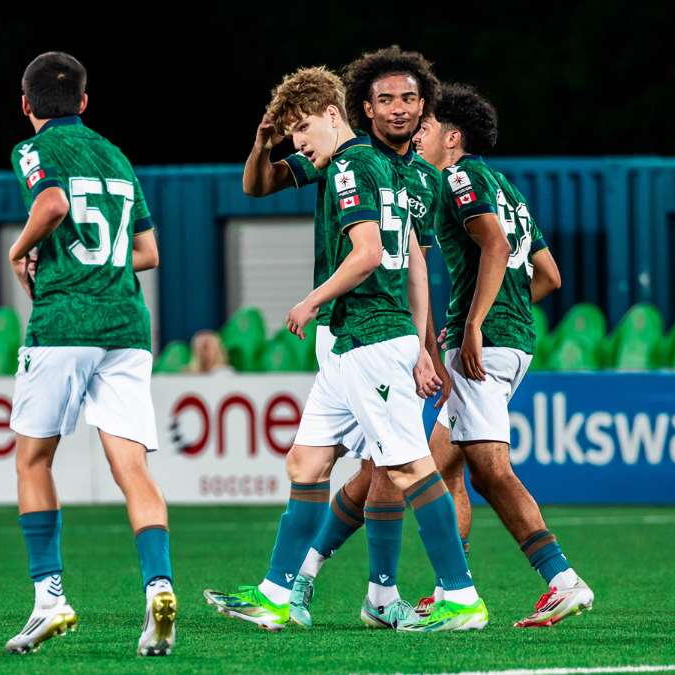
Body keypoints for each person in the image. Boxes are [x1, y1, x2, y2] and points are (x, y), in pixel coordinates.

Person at [204, 65, 488, 633]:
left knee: (406, 466)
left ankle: (460, 597)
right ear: (364, 109)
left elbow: (366, 254)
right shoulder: (373, 165)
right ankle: (277, 593)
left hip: (369, 334)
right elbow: (410, 257)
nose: (299, 143)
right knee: (307, 461)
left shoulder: (353, 167)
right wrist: (420, 342)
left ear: (335, 116)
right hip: (356, 339)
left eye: (302, 129)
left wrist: (312, 302)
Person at [3, 51, 176, 656]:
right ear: (83, 102)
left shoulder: (34, 150)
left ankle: (49, 600)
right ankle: (158, 586)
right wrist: (97, 260)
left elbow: (50, 206)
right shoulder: (116, 156)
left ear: (26, 105)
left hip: (64, 323)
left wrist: (20, 250)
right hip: (127, 327)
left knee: (32, 461)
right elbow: (149, 251)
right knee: (133, 468)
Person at [412, 82, 594, 627]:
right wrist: (499, 315)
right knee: (442, 462)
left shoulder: (463, 175)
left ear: (453, 135)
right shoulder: (504, 186)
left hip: (482, 347)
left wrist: (473, 323)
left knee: (490, 471)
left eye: (426, 125)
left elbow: (493, 244)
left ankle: (563, 580)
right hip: (510, 342)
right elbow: (550, 276)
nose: (417, 132)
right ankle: (454, 588)